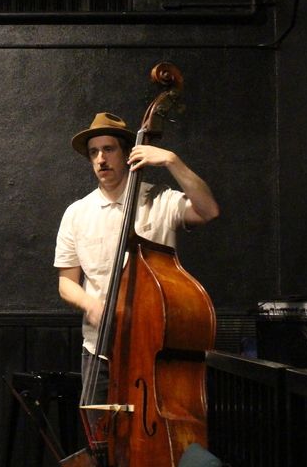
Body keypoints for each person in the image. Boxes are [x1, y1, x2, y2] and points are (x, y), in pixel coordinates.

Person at [55, 111, 219, 387]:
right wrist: (90, 304)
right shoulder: (77, 212)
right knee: (98, 431)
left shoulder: (161, 199)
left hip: (156, 346)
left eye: (108, 149)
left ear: (128, 153)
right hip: (98, 349)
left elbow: (208, 210)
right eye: (94, 152)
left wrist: (172, 161)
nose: (101, 159)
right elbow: (66, 284)